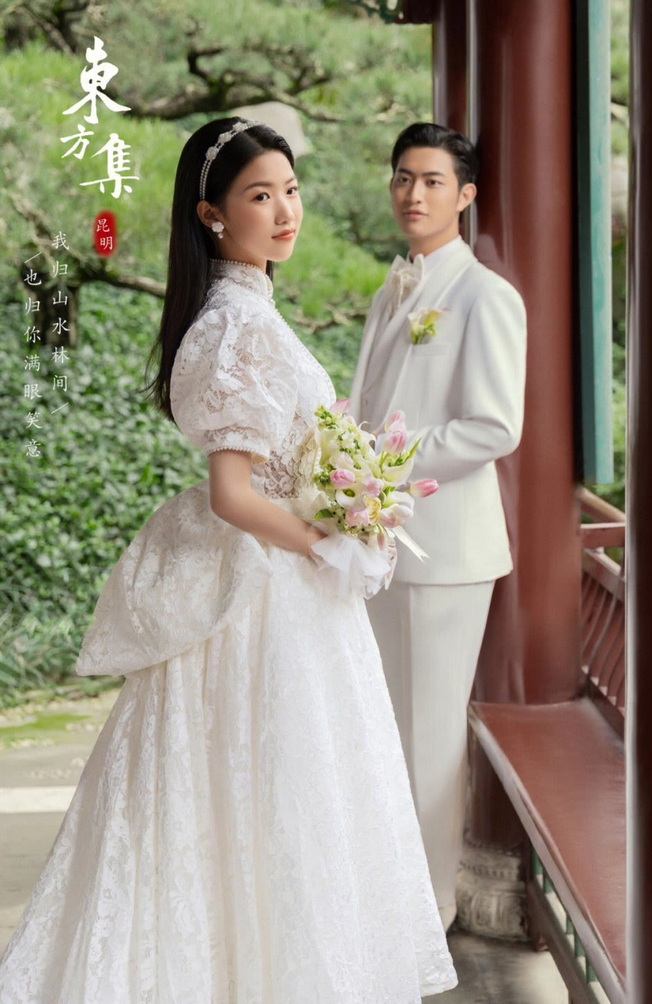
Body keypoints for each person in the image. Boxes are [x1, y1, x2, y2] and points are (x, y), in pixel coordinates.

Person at [0, 117, 458, 1003]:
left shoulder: (249, 312)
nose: (285, 211)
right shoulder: (233, 328)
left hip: (291, 594)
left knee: (279, 803)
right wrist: (332, 540)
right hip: (265, 599)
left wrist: (348, 515)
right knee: (265, 797)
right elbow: (233, 496)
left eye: (290, 190)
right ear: (211, 215)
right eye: (259, 196)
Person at [349, 122, 527, 933]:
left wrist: (377, 462)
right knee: (384, 726)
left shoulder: (485, 296)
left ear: (466, 194)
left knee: (428, 737)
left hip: (446, 549)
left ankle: (427, 912)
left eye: (430, 180)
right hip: (379, 541)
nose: (411, 193)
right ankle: (389, 895)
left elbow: (493, 427)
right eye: (401, 177)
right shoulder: (394, 289)